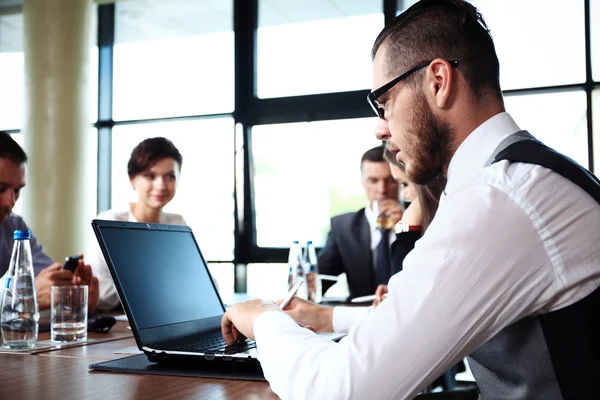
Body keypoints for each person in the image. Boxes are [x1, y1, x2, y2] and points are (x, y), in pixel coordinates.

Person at [220, 1, 600, 398]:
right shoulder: (527, 176)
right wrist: (327, 318)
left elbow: (339, 391)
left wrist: (263, 317)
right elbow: (415, 316)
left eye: (384, 103)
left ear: (438, 81)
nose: (380, 129)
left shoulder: (499, 200)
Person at [0, 131, 99, 312]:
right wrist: (18, 297)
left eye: (17, 191)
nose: (10, 202)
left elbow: (45, 283)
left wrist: (73, 296)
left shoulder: (14, 225)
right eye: (0, 189)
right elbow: (29, 293)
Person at [90, 137, 186, 311]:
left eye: (170, 177)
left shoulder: (176, 223)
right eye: (150, 176)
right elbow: (102, 295)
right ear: (132, 179)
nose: (161, 185)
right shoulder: (110, 223)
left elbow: (200, 281)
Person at [317, 145, 401, 299]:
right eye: (373, 181)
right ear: (363, 183)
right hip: (360, 314)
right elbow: (317, 282)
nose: (382, 189)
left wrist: (404, 230)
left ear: (401, 180)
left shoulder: (421, 219)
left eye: (390, 180)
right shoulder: (343, 227)